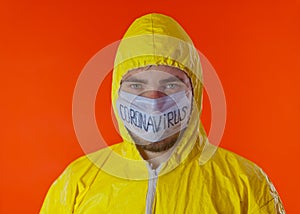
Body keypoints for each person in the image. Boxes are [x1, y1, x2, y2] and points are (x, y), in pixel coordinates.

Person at [40, 13, 285, 213]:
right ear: (117, 91)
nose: (153, 101)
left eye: (171, 85)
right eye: (137, 85)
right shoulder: (77, 184)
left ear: (194, 91)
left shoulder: (247, 186)